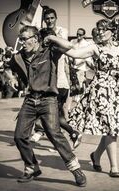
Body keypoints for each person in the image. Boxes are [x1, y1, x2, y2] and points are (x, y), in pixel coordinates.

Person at [45, 19, 119, 178]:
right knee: (111, 128)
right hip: (101, 91)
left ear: (111, 31)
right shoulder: (95, 47)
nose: (99, 32)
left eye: (103, 29)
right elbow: (74, 53)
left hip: (116, 92)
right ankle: (114, 167)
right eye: (98, 29)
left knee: (109, 127)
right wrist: (54, 42)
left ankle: (96, 156)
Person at [7, 25, 86, 186]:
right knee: (19, 136)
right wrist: (12, 78)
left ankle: (76, 169)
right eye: (20, 39)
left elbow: (69, 45)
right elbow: (8, 68)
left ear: (35, 39)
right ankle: (32, 167)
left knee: (54, 135)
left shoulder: (49, 51)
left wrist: (51, 38)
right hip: (30, 100)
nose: (22, 43)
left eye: (24, 39)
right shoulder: (18, 57)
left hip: (48, 99)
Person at [31, 8, 82, 149]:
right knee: (55, 115)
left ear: (56, 18)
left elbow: (65, 44)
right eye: (47, 18)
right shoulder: (41, 33)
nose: (49, 21)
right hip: (47, 81)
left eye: (52, 18)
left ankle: (46, 133)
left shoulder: (61, 32)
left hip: (58, 81)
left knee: (50, 114)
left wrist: (49, 37)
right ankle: (70, 135)